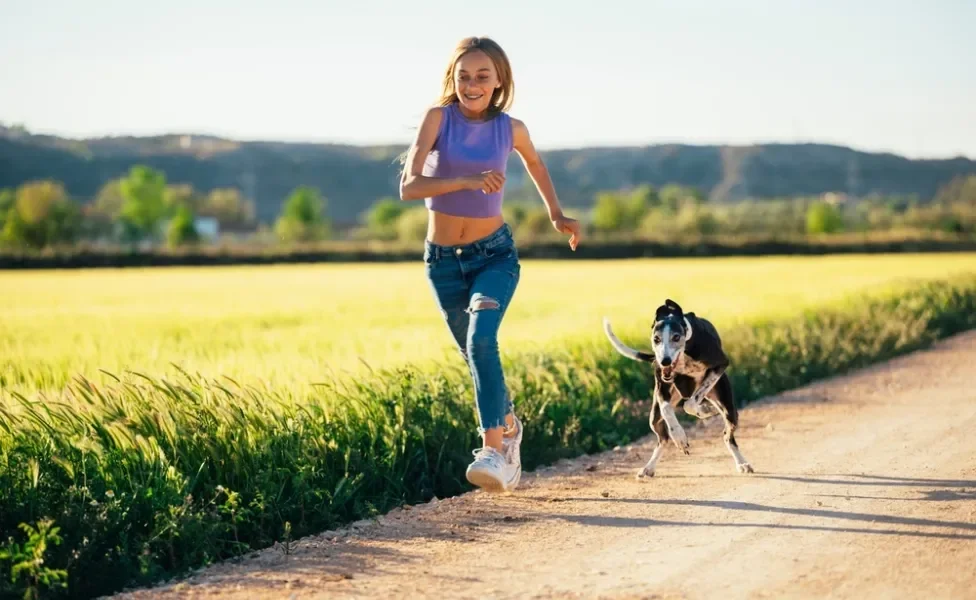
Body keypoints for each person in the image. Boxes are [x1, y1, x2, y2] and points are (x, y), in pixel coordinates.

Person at [399, 36, 582, 492]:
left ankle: (495, 451)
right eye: (464, 76)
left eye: (482, 76)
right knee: (472, 353)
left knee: (482, 341)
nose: (472, 84)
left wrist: (557, 214)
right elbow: (409, 186)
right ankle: (511, 427)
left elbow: (537, 166)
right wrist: (466, 179)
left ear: (499, 80)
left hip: (494, 255)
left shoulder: (511, 128)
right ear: (453, 79)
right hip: (442, 263)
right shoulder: (437, 119)